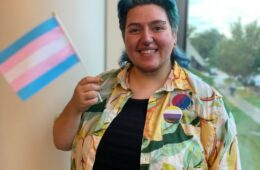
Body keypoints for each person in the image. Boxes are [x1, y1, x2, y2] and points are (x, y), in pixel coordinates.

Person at [53, 0, 241, 169]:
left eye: (157, 28)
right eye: (135, 29)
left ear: (174, 34)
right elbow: (61, 142)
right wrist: (74, 107)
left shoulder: (208, 103)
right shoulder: (99, 88)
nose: (146, 38)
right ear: (124, 36)